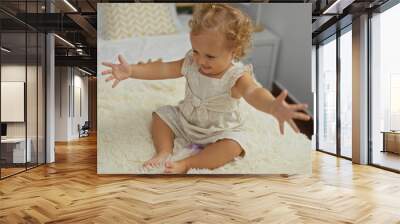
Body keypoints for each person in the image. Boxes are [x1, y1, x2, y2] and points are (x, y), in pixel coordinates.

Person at [101, 3, 310, 174]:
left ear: (234, 51)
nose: (201, 60)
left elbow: (254, 92)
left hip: (218, 131)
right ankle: (164, 151)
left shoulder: (236, 76)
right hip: (186, 121)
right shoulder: (192, 62)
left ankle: (188, 163)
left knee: (234, 145)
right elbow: (163, 68)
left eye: (210, 56)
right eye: (196, 51)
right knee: (160, 115)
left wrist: (273, 107)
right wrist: (132, 71)